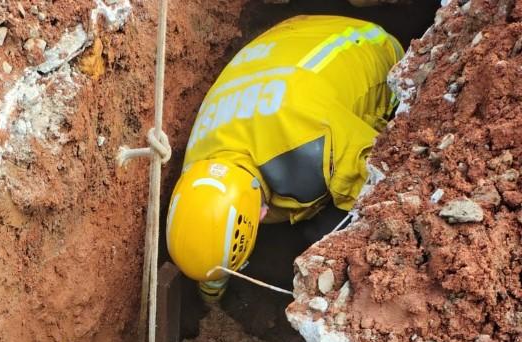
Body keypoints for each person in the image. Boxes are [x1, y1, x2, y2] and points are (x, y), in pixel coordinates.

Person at [166, 14, 404, 300]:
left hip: (369, 45)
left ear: (263, 214)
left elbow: (384, 189)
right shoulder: (197, 167)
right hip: (286, 34)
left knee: (325, 235)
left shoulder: (315, 145)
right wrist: (211, 295)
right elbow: (207, 242)